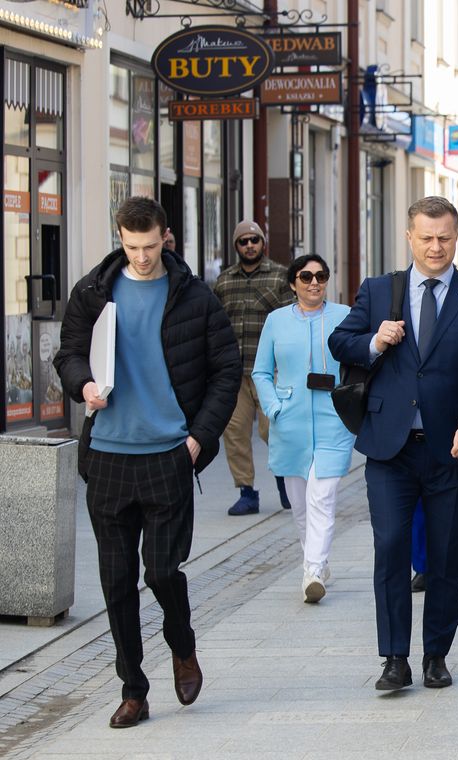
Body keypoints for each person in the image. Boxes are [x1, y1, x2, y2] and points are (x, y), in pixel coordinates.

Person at [53, 196, 241, 728]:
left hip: (169, 455)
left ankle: (182, 644)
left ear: (165, 238)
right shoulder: (92, 292)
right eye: (131, 246)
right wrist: (81, 384)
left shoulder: (196, 298)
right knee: (116, 582)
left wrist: (198, 440)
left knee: (161, 572)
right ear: (120, 237)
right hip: (109, 456)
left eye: (149, 245)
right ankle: (133, 689)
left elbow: (227, 372)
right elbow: (67, 353)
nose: (140, 256)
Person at [328, 196, 458, 692]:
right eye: (426, 238)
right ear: (410, 237)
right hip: (390, 448)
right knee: (389, 548)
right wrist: (375, 341)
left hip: (453, 449)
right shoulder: (380, 289)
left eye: (444, 237)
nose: (435, 247)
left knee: (447, 556)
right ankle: (394, 658)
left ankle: (436, 655)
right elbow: (341, 341)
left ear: (457, 237)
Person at [252, 254, 354, 604]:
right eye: (306, 276)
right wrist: (273, 407)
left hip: (333, 419)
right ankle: (316, 562)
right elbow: (261, 372)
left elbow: (359, 362)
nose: (315, 283)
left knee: (322, 497)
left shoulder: (344, 317)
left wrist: (352, 403)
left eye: (321, 276)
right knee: (299, 505)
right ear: (293, 282)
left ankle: (313, 569)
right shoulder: (276, 321)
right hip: (290, 420)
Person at [213, 220, 295, 516]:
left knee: (272, 429)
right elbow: (216, 326)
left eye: (254, 240)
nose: (249, 245)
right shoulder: (224, 281)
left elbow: (292, 320)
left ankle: (285, 480)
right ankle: (246, 492)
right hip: (234, 373)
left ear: (263, 243)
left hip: (270, 372)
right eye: (243, 241)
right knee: (234, 434)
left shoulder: (279, 277)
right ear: (236, 246)